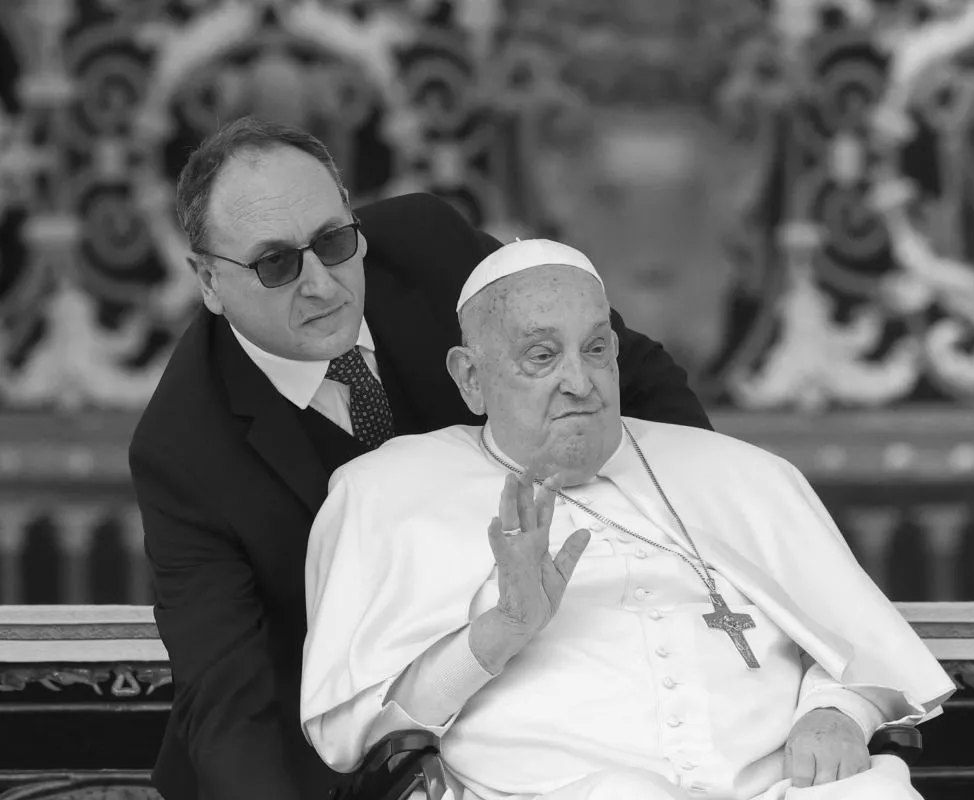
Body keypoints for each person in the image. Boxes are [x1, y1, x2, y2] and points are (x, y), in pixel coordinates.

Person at [128, 117, 711, 800]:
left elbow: (635, 375)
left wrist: (709, 546)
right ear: (207, 280)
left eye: (334, 242)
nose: (321, 284)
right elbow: (228, 699)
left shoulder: (431, 248)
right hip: (340, 754)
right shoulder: (184, 448)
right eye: (276, 263)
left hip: (532, 695)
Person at [300, 240, 956, 800]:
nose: (581, 382)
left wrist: (837, 711)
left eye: (595, 350)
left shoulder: (741, 474)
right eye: (541, 356)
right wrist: (501, 631)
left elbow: (865, 654)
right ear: (471, 377)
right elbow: (364, 728)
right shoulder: (387, 492)